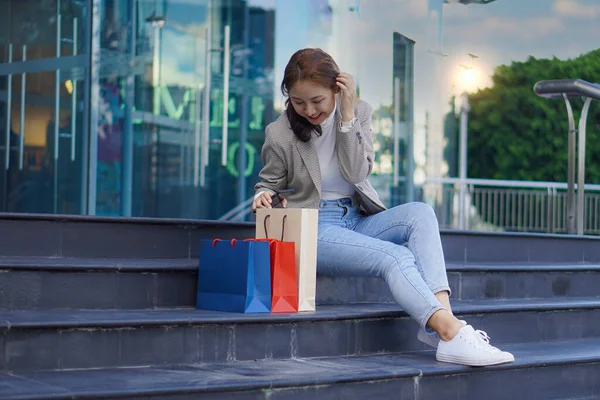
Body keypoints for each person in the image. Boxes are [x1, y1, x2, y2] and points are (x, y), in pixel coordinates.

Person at [252, 48, 514, 367]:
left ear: (338, 89)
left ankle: (448, 330)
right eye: (298, 102)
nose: (309, 110)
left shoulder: (360, 112)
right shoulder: (280, 133)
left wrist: (347, 119)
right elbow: (269, 182)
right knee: (397, 256)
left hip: (356, 218)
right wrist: (263, 194)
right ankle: (451, 333)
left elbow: (356, 173)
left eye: (317, 101)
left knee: (420, 213)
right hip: (313, 226)